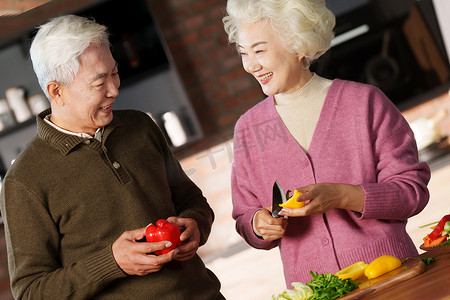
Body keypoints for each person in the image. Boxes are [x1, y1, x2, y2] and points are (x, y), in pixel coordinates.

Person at [0, 15, 224, 299]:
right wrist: (112, 263)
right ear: (57, 91)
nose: (114, 90)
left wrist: (195, 224)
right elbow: (31, 292)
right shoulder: (24, 181)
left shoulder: (141, 126)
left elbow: (192, 201)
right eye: (98, 83)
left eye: (114, 73)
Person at [223, 0, 431, 286]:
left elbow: (412, 192)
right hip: (314, 291)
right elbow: (245, 216)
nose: (250, 64)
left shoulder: (365, 103)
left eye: (259, 50)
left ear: (298, 45)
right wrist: (259, 224)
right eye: (244, 53)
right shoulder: (248, 130)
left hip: (393, 276)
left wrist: (344, 196)